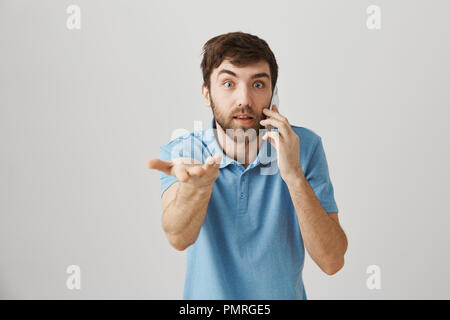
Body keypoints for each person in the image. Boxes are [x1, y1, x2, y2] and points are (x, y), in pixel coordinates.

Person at [147, 31, 348, 299]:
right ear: (207, 93)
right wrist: (197, 189)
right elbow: (178, 238)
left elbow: (332, 261)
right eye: (228, 84)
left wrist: (294, 176)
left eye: (258, 85)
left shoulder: (304, 146)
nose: (244, 99)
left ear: (273, 95)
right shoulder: (184, 151)